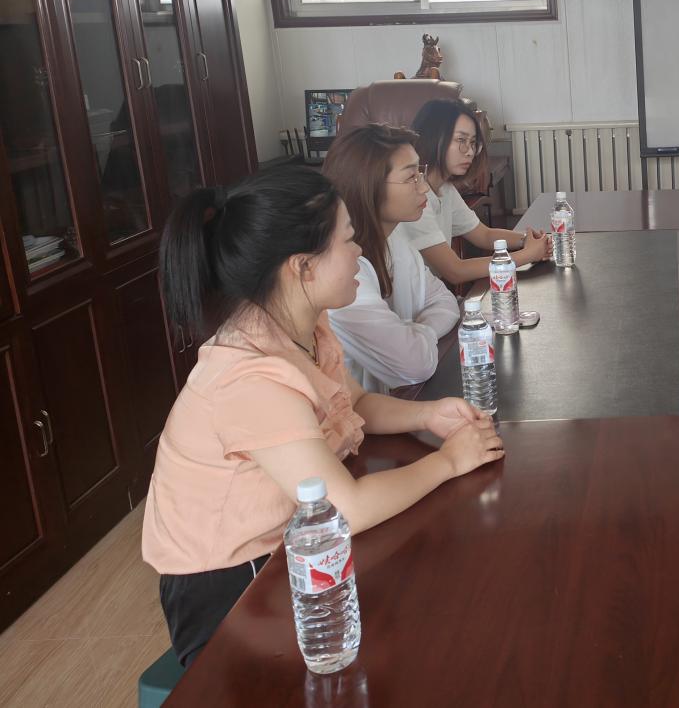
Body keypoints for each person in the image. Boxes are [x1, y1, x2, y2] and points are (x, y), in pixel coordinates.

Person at [142, 166, 504, 666]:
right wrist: (448, 461)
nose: (360, 253)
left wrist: (428, 415)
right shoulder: (249, 377)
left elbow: (354, 403)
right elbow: (345, 509)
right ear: (303, 268)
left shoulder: (301, 326)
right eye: (348, 240)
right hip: (232, 586)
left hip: (295, 545)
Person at [323, 124, 460, 394]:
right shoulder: (340, 272)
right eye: (411, 177)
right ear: (368, 185)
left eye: (420, 173)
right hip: (355, 415)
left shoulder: (394, 240)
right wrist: (415, 336)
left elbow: (445, 303)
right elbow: (414, 364)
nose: (424, 187)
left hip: (397, 401)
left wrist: (413, 333)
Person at [402, 98, 550, 285]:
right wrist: (528, 254)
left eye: (473, 143)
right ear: (434, 137)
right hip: (415, 300)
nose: (470, 151)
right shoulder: (413, 198)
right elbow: (455, 271)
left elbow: (483, 235)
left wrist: (529, 239)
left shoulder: (445, 188)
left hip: (432, 294)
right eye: (461, 140)